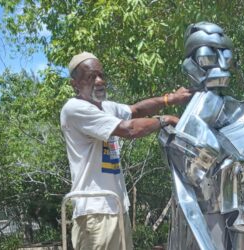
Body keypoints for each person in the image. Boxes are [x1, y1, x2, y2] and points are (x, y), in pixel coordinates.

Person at [158, 22, 244, 249]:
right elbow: (193, 171)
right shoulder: (196, 115)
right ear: (192, 63)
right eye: (208, 57)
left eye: (225, 57)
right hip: (210, 214)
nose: (219, 66)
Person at [60, 52, 192, 250]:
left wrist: (170, 98)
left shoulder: (105, 107)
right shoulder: (75, 108)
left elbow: (136, 110)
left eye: (101, 75)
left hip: (116, 207)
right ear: (75, 84)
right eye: (90, 77)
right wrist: (165, 119)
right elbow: (129, 129)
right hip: (95, 212)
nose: (99, 81)